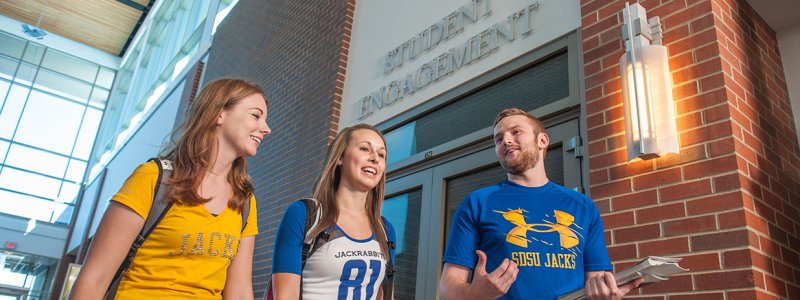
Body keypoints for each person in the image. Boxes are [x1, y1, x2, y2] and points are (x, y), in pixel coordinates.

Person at [70, 78, 271, 299]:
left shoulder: (244, 201)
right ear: (219, 114)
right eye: (256, 115)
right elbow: (95, 278)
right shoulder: (154, 178)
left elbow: (240, 292)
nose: (266, 128)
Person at [439, 108, 643, 299]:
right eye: (498, 139)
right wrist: (476, 295)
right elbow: (448, 286)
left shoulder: (583, 206)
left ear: (542, 140)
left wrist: (605, 294)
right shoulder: (478, 203)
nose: (506, 141)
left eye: (515, 132)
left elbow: (596, 281)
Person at [271, 124, 396, 300]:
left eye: (381, 154)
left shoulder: (385, 230)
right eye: (364, 149)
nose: (375, 158)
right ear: (340, 157)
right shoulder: (305, 215)